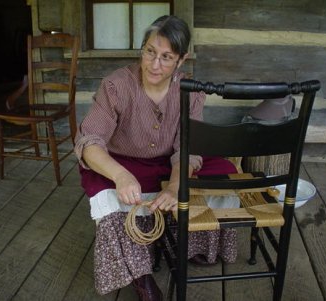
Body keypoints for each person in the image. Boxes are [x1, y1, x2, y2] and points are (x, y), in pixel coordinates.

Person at [74, 15, 239, 301]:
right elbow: (89, 141)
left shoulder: (191, 90)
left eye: (166, 57)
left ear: (181, 60)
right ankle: (141, 275)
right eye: (150, 52)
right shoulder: (116, 86)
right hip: (125, 163)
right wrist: (121, 176)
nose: (154, 64)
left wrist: (175, 186)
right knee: (107, 193)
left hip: (170, 163)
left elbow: (187, 147)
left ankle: (191, 244)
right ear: (143, 48)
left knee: (222, 173)